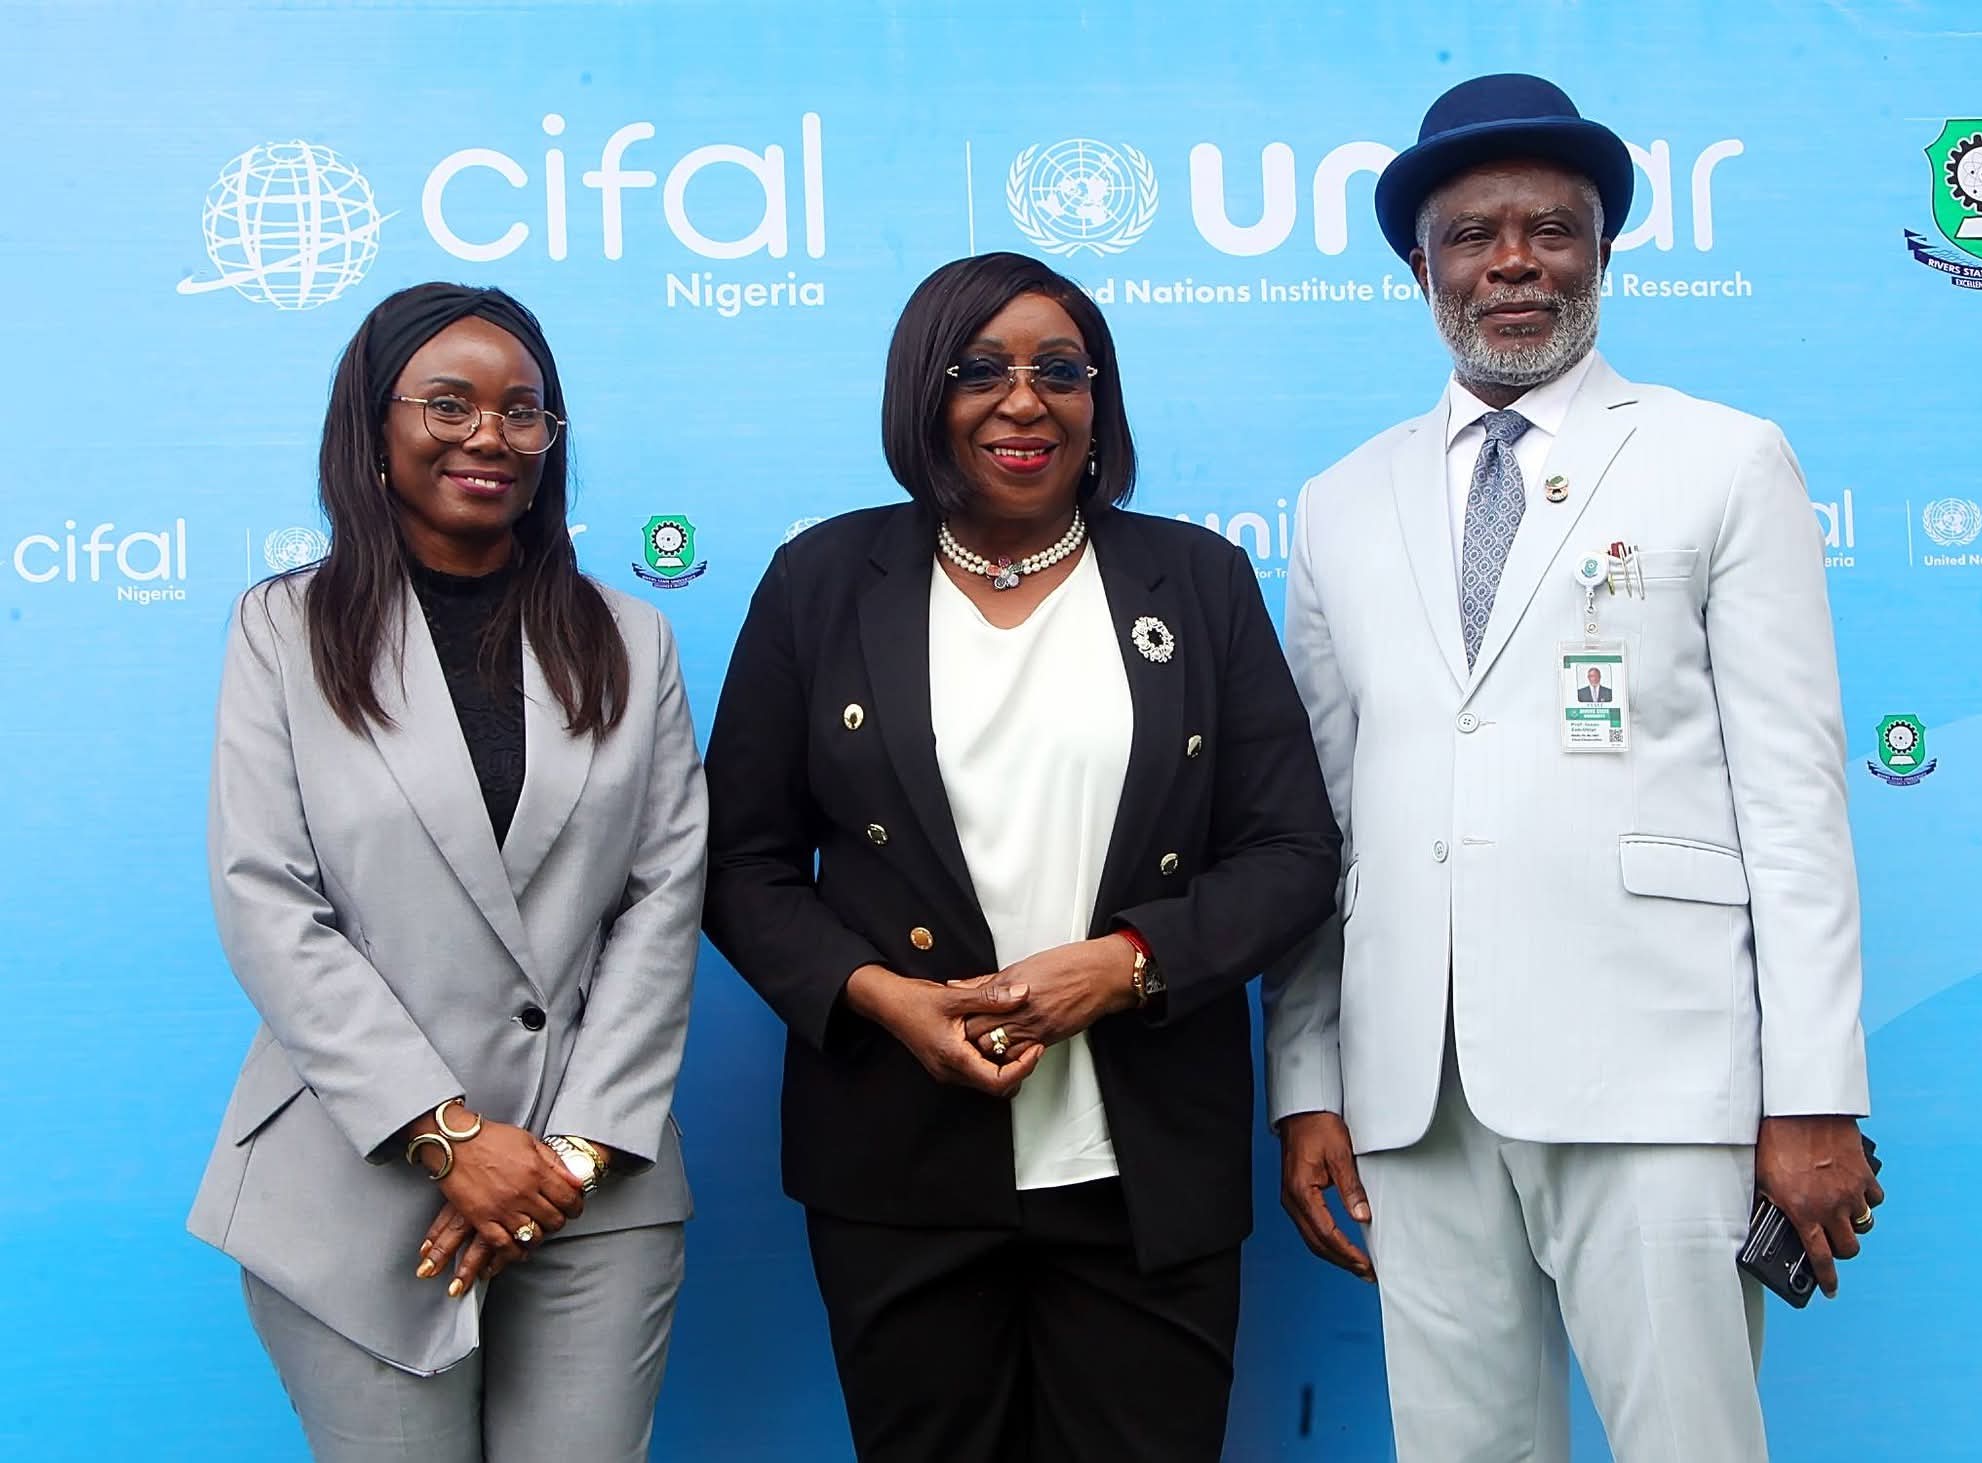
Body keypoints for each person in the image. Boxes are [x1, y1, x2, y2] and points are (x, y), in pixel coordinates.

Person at [1264, 75, 1881, 1462]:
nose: (1514, 262)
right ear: (1418, 266)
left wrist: (1812, 1092)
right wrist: (1308, 1080)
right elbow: (1325, 824)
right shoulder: (1339, 501)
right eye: (1473, 235)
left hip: (1659, 1074)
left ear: (1602, 252)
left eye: (1552, 229)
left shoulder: (1722, 458)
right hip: (1415, 1088)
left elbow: (1793, 800)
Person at [704, 251, 1341, 1462]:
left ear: (1098, 398)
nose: (1023, 400)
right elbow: (741, 861)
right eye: (977, 369)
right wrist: (879, 996)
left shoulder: (1195, 578)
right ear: (921, 391)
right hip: (897, 1162)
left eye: (1060, 369)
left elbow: (1293, 848)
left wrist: (1128, 964)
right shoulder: (821, 581)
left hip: (1145, 1164)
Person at [189, 283, 705, 1462]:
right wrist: (447, 1134)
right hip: (353, 1172)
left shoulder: (631, 639)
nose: (490, 434)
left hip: (591, 1179)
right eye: (449, 403)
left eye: (523, 410)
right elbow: (267, 896)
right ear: (373, 426)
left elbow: (663, 897)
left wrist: (569, 1152)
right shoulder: (283, 630)